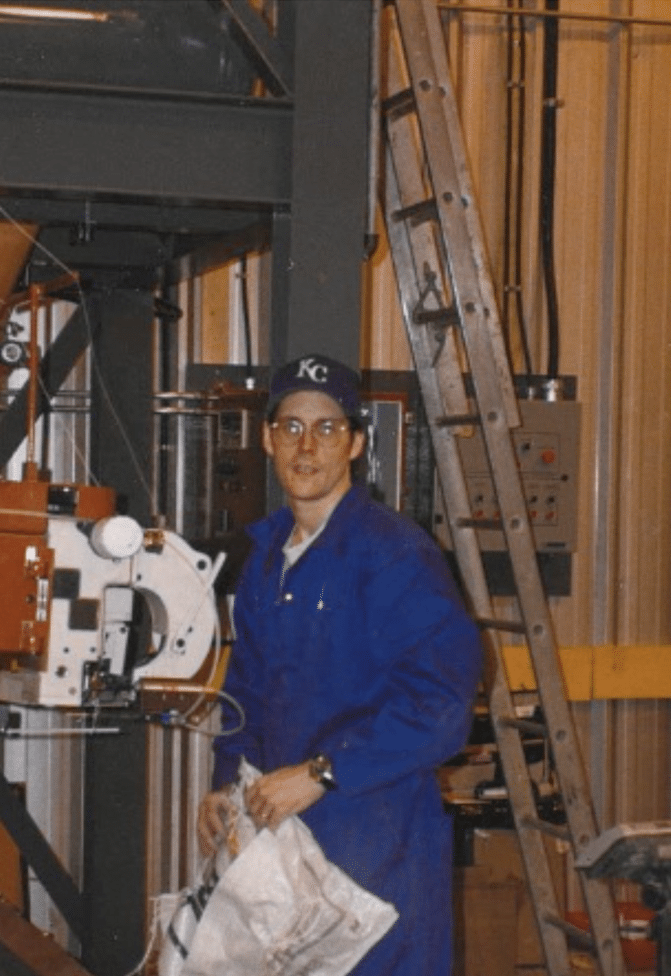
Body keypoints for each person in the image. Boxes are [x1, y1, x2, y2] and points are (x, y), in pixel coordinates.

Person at [197, 353, 484, 976]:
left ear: (354, 443)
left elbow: (441, 709)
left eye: (327, 428)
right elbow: (246, 690)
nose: (306, 447)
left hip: (376, 849)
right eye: (292, 427)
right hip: (286, 849)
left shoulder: (395, 555)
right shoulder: (266, 557)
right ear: (268, 439)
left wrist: (323, 774)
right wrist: (225, 784)